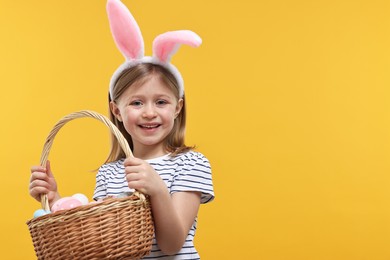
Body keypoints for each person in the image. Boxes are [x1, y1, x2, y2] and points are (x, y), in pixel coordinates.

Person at [29, 0, 214, 259]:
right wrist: (56, 198)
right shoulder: (109, 173)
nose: (149, 112)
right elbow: (99, 237)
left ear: (177, 108)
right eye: (136, 103)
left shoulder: (190, 164)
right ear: (117, 111)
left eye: (161, 102)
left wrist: (157, 189)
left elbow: (172, 244)